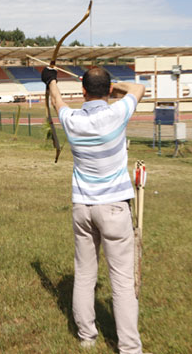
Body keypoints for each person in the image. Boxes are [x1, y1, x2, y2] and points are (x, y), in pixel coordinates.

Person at [41, 66, 147, 354]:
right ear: (109, 90)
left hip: (83, 209)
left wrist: (51, 81)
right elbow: (139, 89)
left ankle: (87, 337)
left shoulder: (72, 119)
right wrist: (115, 87)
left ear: (84, 92)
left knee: (85, 274)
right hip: (113, 209)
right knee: (122, 283)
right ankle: (129, 349)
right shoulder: (117, 113)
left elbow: (58, 102)